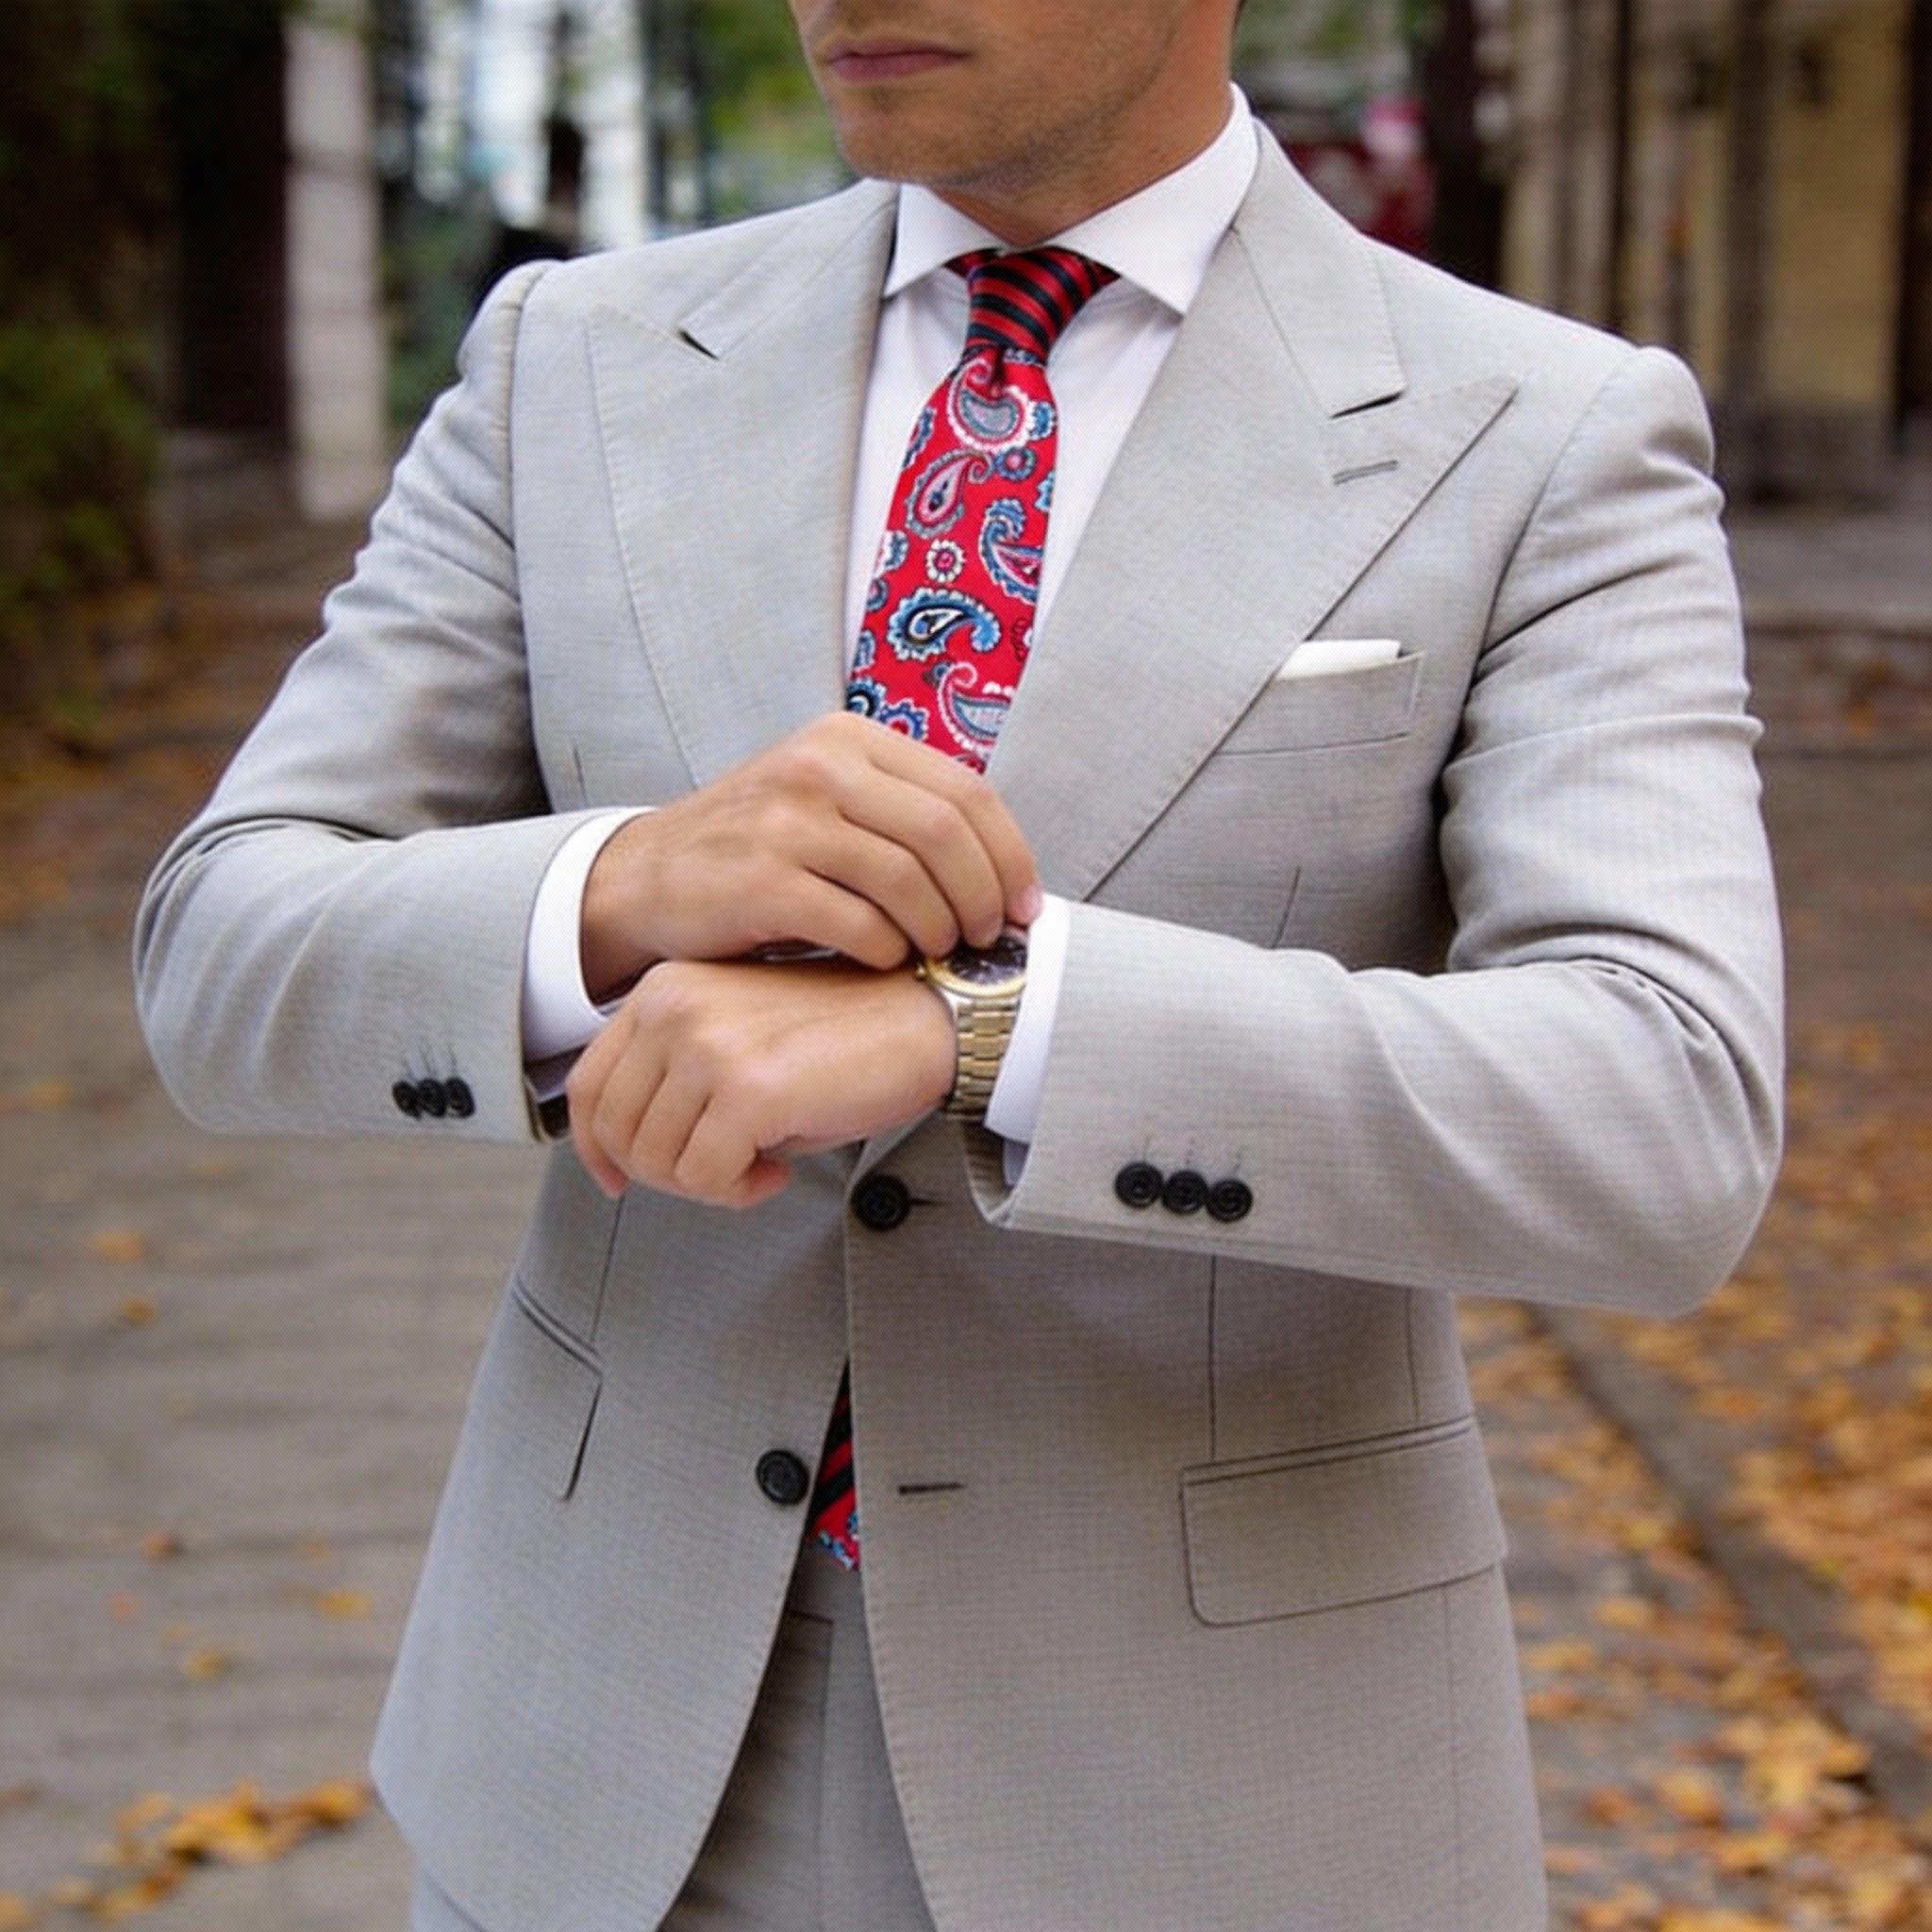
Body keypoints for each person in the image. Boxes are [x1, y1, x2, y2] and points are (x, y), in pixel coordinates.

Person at [134, 0, 1785, 1926]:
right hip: (599, 1750)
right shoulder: (565, 362)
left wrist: (984, 1029)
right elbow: (219, 947)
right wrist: (620, 884)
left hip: (1219, 1787)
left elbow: (1663, 1110)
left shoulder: (1543, 430)